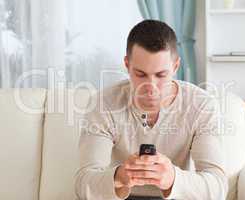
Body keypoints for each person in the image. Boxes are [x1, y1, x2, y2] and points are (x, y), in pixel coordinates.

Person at [75, 19, 228, 200]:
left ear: (175, 66)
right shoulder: (103, 104)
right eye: (140, 74)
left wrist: (172, 178)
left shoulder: (202, 106)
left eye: (161, 75)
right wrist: (120, 177)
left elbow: (218, 188)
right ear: (127, 65)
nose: (151, 86)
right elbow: (83, 184)